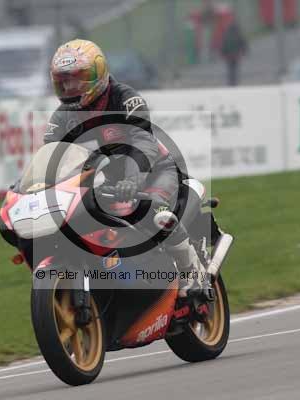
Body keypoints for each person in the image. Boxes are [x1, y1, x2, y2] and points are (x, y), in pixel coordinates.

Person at [45, 39, 206, 298]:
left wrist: (133, 179)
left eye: (77, 79)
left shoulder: (126, 99)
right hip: (107, 183)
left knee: (153, 210)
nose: (70, 87)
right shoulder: (62, 117)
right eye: (64, 81)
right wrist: (36, 185)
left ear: (97, 74)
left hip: (154, 171)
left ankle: (192, 273)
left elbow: (142, 143)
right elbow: (51, 155)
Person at [220, 20, 248, 86]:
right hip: (236, 55)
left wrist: (222, 53)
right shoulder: (238, 34)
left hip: (229, 56)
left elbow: (224, 45)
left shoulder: (226, 35)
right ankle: (234, 80)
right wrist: (244, 51)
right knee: (235, 67)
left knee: (230, 68)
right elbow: (243, 43)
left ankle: (231, 80)